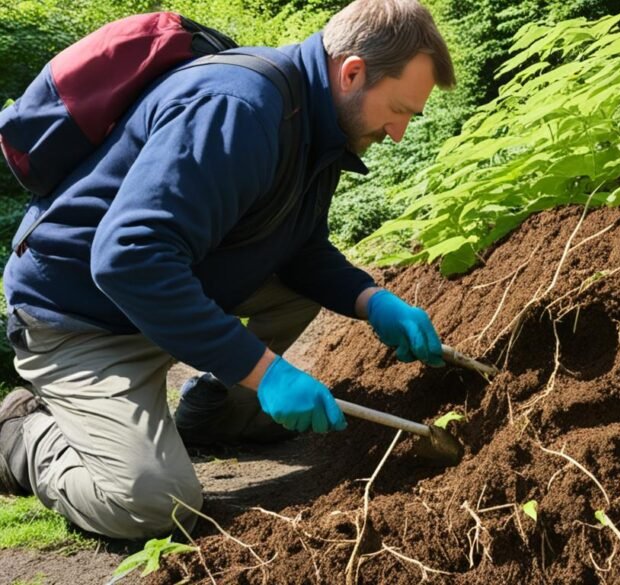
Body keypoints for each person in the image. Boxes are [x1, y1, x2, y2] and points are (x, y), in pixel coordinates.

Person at [0, 0, 455, 540]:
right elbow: (129, 258)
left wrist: (370, 300)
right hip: (81, 319)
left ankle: (214, 416)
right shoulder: (240, 106)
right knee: (154, 505)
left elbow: (296, 247)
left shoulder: (315, 124)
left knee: (294, 291)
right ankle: (22, 434)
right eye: (401, 109)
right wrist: (267, 372)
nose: (400, 132)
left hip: (164, 295)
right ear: (352, 72)